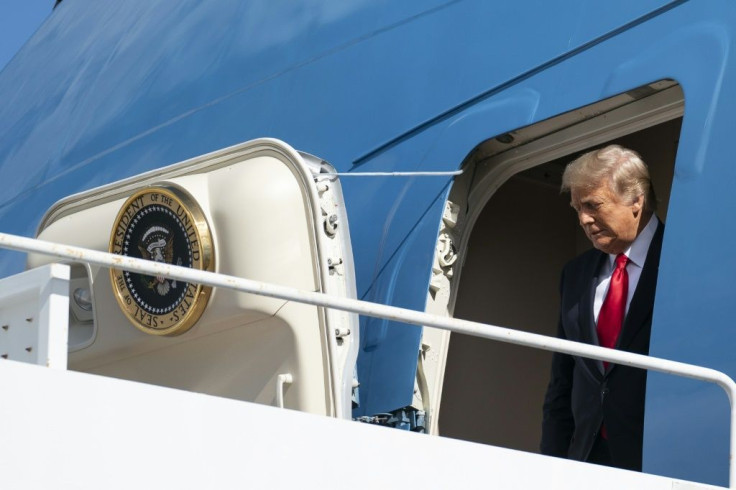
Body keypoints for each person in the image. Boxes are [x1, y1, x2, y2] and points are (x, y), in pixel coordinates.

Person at [540, 144, 664, 471]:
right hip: (586, 458)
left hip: (660, 458)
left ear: (636, 199)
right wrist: (549, 467)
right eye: (577, 208)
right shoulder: (576, 274)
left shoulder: (681, 260)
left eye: (593, 205)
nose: (583, 218)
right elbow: (562, 382)